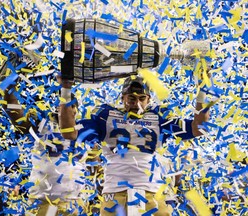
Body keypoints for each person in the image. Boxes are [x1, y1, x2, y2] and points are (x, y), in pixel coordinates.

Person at [59, 75, 210, 216]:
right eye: (131, 98)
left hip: (151, 191)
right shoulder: (106, 115)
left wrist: (203, 90)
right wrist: (66, 88)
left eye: (141, 98)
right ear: (122, 97)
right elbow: (69, 132)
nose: (137, 103)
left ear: (149, 99)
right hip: (115, 192)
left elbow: (199, 129)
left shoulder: (159, 117)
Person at [0, 52, 87, 215]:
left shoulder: (88, 128)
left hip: (74, 202)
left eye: (67, 106)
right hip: (42, 201)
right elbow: (15, 112)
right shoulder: (42, 123)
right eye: (60, 106)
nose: (62, 109)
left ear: (75, 109)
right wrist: (8, 87)